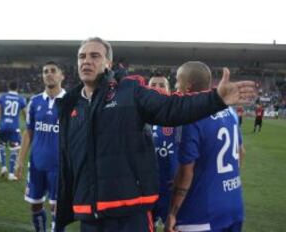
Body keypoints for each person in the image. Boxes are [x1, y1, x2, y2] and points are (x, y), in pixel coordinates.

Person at [55, 37, 255, 232]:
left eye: (95, 56)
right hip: (89, 215)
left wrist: (216, 98)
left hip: (130, 214)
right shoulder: (70, 105)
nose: (86, 61)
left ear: (108, 63)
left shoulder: (129, 91)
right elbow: (68, 162)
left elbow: (173, 107)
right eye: (82, 57)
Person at [165, 61, 246, 232]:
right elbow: (241, 152)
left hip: (201, 213)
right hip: (233, 204)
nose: (175, 86)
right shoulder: (229, 110)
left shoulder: (190, 116)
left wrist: (172, 213)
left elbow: (186, 172)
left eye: (177, 82)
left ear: (187, 87)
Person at [15, 61, 66, 232]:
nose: (49, 74)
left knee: (57, 209)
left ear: (61, 76)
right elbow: (28, 132)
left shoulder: (70, 101)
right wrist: (20, 161)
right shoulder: (35, 101)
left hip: (59, 166)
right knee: (35, 205)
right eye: (45, 71)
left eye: (53, 71)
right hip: (36, 164)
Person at [148, 73, 179, 230]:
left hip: (171, 187)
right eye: (153, 85)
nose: (157, 88)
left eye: (162, 85)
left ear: (169, 90)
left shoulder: (178, 116)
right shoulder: (139, 116)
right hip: (147, 187)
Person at [0, 81, 26, 181]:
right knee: (14, 149)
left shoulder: (3, 97)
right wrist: (27, 123)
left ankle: (3, 167)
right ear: (17, 88)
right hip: (14, 128)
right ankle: (11, 174)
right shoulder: (21, 98)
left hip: (2, 127)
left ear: (8, 87)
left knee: (1, 146)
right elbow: (25, 112)